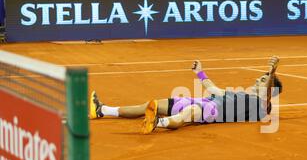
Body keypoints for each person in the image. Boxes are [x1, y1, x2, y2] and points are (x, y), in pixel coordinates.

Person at [90, 57, 283, 133]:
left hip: (211, 111)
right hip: (202, 100)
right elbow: (214, 90)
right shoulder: (240, 94)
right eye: (260, 78)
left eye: (263, 80)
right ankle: (102, 110)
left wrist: (272, 71)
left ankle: (159, 123)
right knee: (151, 104)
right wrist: (200, 72)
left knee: (188, 113)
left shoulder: (260, 107)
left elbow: (269, 93)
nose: (258, 80)